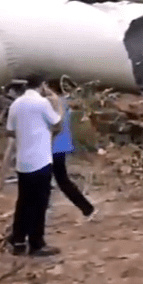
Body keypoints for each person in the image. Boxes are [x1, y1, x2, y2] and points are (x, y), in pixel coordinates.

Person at [2, 73, 64, 257]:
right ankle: (37, 243)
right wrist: (58, 105)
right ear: (43, 85)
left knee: (23, 202)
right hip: (41, 161)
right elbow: (57, 125)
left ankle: (19, 240)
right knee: (39, 203)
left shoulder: (16, 104)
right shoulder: (42, 103)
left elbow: (9, 132)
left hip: (23, 162)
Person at [47, 79, 96, 219]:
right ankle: (87, 208)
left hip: (52, 146)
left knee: (58, 180)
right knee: (60, 180)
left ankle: (87, 208)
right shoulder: (61, 101)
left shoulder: (53, 103)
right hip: (59, 146)